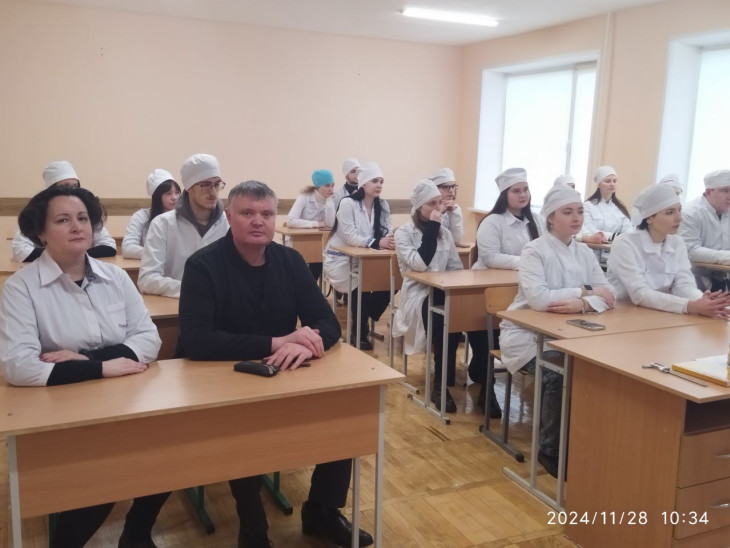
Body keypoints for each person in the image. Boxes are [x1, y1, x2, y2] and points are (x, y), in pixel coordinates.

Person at [178, 181, 373, 548]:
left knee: (341, 414)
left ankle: (322, 510)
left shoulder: (290, 261)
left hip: (281, 375)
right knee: (244, 431)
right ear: (229, 216)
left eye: (266, 214)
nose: (258, 221)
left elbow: (326, 321)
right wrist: (277, 342)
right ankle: (253, 530)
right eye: (247, 213)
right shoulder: (203, 265)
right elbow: (197, 341)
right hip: (222, 381)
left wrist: (307, 344)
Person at [0, 185, 166, 548]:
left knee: (168, 455)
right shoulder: (21, 288)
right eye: (62, 220)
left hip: (125, 400)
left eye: (83, 218)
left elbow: (149, 339)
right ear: (41, 233)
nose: (77, 226)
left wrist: (89, 360)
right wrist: (104, 367)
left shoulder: (115, 277)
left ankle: (137, 533)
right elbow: (19, 367)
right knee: (102, 478)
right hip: (64, 410)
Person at [499, 185, 615, 478]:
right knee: (558, 372)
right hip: (527, 337)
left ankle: (584, 440)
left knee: (600, 371)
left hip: (571, 333)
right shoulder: (534, 251)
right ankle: (550, 449)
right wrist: (585, 293)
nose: (576, 218)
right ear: (550, 217)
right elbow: (539, 299)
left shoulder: (584, 251)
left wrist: (581, 304)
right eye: (567, 212)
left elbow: (609, 295)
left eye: (580, 211)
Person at [470, 168, 545, 417]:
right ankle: (487, 387)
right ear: (505, 194)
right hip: (487, 288)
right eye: (516, 191)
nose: (523, 195)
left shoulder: (537, 221)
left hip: (523, 288)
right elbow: (490, 257)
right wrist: (528, 262)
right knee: (486, 333)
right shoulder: (492, 222)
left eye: (525, 189)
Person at [393, 180, 463, 412]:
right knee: (443, 318)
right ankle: (440, 384)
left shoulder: (445, 234)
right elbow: (420, 264)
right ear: (418, 207)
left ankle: (480, 382)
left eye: (439, 203)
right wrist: (433, 228)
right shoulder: (404, 233)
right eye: (431, 204)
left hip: (443, 292)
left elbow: (455, 267)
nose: (437, 208)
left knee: (461, 312)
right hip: (418, 294)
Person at [609, 183, 730, 317]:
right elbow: (640, 294)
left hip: (661, 313)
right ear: (649, 218)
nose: (679, 217)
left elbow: (684, 285)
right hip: (624, 313)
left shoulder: (677, 242)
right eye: (670, 212)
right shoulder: (625, 244)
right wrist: (689, 305)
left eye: (679, 210)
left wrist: (704, 301)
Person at [323, 162, 395, 350]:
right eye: (374, 181)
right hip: (340, 258)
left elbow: (387, 230)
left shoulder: (383, 205)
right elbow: (350, 237)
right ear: (363, 183)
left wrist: (389, 240)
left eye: (381, 181)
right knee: (360, 286)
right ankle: (359, 331)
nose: (379, 185)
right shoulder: (348, 203)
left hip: (367, 258)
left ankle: (367, 313)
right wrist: (378, 243)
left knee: (393, 280)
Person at [137, 153, 229, 298]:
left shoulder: (228, 223)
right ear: (189, 187)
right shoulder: (163, 224)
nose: (213, 192)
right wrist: (194, 289)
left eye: (217, 184)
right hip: (175, 305)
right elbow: (147, 280)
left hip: (222, 305)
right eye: (205, 185)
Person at [11, 160, 117, 262]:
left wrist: (77, 255)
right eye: (62, 220)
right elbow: (21, 253)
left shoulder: (87, 210)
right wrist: (64, 255)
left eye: (75, 186)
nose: (72, 191)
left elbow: (109, 246)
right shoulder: (38, 214)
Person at [679, 170, 730, 291]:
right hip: (695, 281)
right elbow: (691, 251)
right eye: (725, 190)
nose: (729, 196)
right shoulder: (690, 213)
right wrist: (727, 257)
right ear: (708, 192)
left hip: (724, 278)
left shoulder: (727, 211)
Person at [286, 169, 336, 280]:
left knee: (316, 268)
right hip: (298, 242)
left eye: (332, 185)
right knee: (299, 271)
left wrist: (330, 204)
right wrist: (315, 223)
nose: (331, 189)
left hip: (318, 244)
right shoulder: (304, 197)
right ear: (318, 186)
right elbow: (291, 220)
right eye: (327, 185)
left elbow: (330, 224)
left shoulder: (330, 200)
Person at [122, 169, 181, 259]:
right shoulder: (141, 216)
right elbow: (127, 248)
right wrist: (158, 254)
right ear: (157, 196)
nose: (174, 197)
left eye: (177, 193)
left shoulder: (184, 216)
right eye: (168, 193)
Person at [576, 165, 633, 245]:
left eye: (614, 181)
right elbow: (589, 230)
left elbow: (628, 230)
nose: (612, 184)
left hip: (616, 248)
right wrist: (614, 236)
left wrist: (617, 237)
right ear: (599, 184)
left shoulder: (620, 206)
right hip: (594, 249)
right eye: (607, 181)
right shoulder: (588, 206)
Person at [429, 167, 464, 244]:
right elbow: (433, 238)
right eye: (445, 187)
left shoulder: (455, 209)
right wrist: (440, 212)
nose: (451, 190)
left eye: (453, 186)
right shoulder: (427, 208)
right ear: (435, 189)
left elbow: (456, 239)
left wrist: (453, 214)